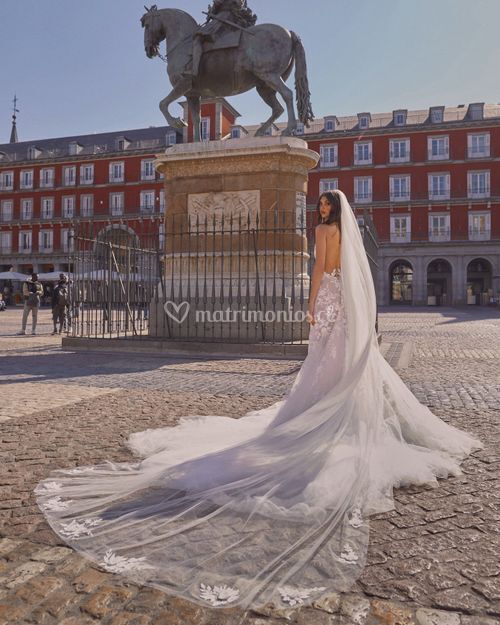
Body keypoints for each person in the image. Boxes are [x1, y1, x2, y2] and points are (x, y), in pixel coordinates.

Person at [35, 190, 482, 610]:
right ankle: (334, 405)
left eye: (325, 205)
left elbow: (323, 270)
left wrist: (310, 305)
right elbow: (345, 272)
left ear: (331, 212)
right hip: (346, 300)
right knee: (340, 360)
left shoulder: (325, 234)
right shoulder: (347, 233)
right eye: (321, 205)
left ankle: (319, 409)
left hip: (328, 297)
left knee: (323, 357)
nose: (322, 211)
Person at [191, 0, 257, 80]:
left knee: (198, 38)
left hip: (223, 18)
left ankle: (194, 70)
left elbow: (219, 5)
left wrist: (214, 6)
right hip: (233, 19)